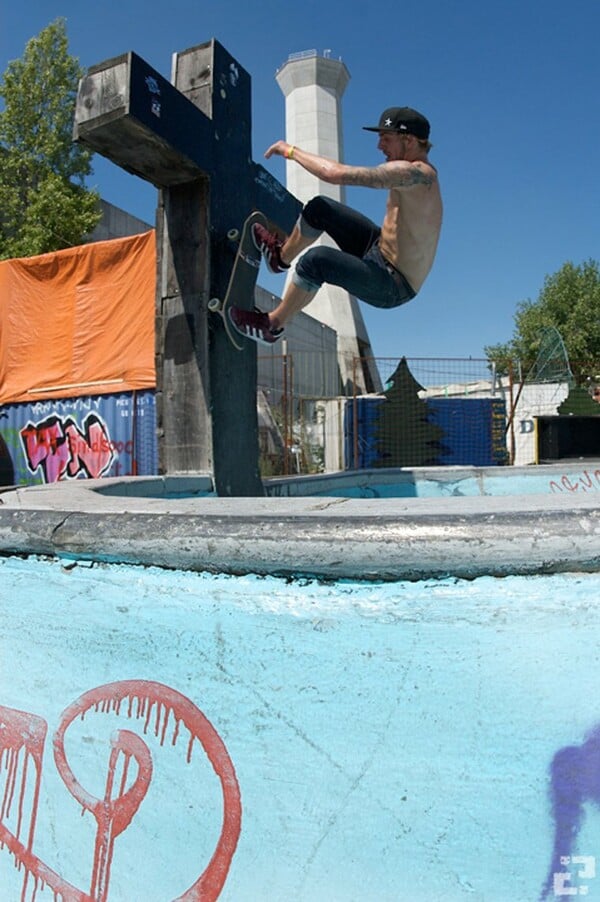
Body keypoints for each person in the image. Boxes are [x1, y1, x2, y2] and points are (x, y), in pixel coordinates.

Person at [229, 106, 443, 345]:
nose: (379, 146)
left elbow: (333, 174)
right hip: (379, 250)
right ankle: (279, 258)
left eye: (386, 138)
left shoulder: (415, 174)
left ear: (410, 140)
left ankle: (272, 325)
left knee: (317, 260)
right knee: (321, 208)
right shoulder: (415, 174)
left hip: (393, 284)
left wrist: (290, 151)